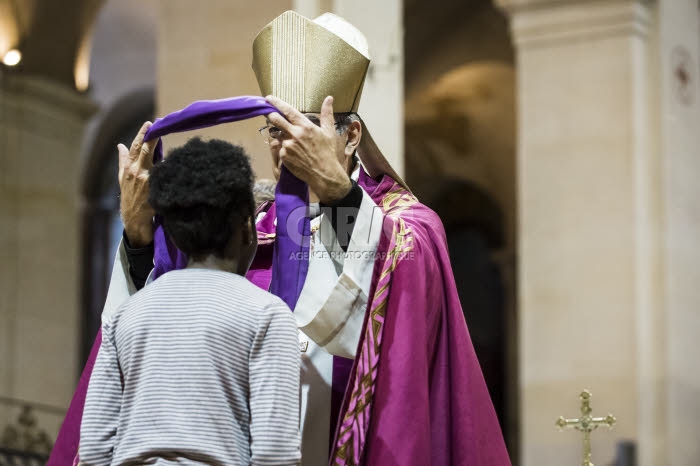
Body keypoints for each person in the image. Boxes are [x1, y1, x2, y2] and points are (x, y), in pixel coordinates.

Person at [50, 11, 511, 466]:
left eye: (304, 125)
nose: (284, 142)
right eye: (274, 127)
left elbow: (402, 303)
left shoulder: (402, 221)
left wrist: (339, 195)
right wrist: (137, 234)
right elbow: (158, 315)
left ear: (351, 135)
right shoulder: (242, 225)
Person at [78, 138, 301, 466]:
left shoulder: (125, 315)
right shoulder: (266, 314)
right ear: (246, 227)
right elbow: (275, 455)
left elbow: (95, 450)